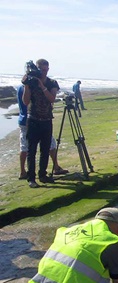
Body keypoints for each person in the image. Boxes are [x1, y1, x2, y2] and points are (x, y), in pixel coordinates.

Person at [17, 85, 68, 181]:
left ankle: (23, 171)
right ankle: (55, 167)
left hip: (24, 119)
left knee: (25, 146)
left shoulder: (21, 87)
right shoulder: (32, 87)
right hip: (33, 120)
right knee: (49, 144)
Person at [22, 59, 59, 188]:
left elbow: (52, 99)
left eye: (44, 69)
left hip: (47, 120)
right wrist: (26, 85)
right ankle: (31, 178)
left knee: (45, 149)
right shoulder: (31, 83)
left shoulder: (52, 83)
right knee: (31, 150)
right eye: (40, 69)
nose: (42, 72)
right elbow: (26, 101)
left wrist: (42, 86)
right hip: (33, 120)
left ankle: (42, 175)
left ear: (48, 69)